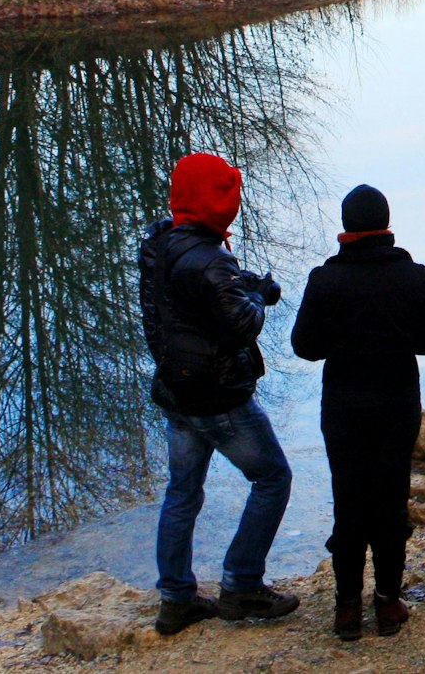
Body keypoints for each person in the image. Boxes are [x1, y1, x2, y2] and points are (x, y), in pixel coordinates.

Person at [137, 152, 301, 636]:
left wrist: (242, 282)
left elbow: (194, 294)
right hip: (217, 396)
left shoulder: (161, 241)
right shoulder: (209, 258)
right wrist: (255, 296)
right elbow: (243, 322)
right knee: (272, 478)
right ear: (217, 204)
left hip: (176, 391)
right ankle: (241, 584)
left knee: (182, 492)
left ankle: (175, 598)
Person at [292, 184, 425, 641]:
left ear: (346, 227)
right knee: (391, 500)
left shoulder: (325, 279)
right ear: (386, 225)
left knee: (349, 502)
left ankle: (346, 609)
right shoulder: (412, 275)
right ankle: (387, 603)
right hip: (398, 402)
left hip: (344, 406)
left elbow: (305, 347)